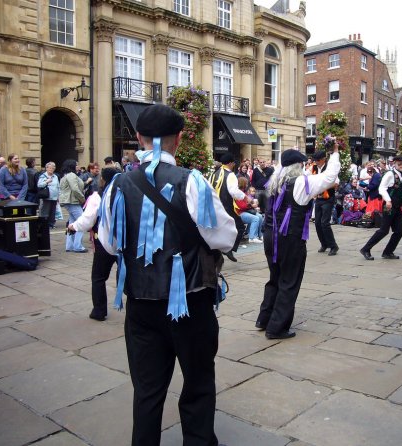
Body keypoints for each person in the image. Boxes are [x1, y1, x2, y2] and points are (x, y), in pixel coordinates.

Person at [101, 103, 236, 445]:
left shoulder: (117, 185)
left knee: (147, 390)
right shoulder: (192, 182)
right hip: (190, 302)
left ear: (138, 138)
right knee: (199, 382)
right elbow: (224, 237)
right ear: (178, 139)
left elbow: (109, 241)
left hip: (141, 305)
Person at [255, 147, 340, 339]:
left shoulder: (274, 182)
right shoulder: (301, 182)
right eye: (302, 164)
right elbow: (329, 178)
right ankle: (276, 328)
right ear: (298, 166)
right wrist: (334, 153)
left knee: (275, 278)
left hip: (270, 237)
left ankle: (264, 319)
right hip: (290, 238)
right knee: (289, 281)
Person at [68, 167, 120, 321]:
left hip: (104, 242)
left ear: (103, 179)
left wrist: (73, 226)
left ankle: (99, 311)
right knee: (126, 276)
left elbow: (88, 219)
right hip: (124, 243)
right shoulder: (125, 194)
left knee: (98, 277)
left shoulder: (98, 197)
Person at [360, 155, 402, 261]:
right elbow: (382, 188)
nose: (401, 166)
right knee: (384, 230)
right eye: (399, 164)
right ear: (394, 163)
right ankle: (365, 249)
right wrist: (388, 200)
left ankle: (388, 252)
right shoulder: (390, 174)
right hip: (389, 206)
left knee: (399, 231)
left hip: (398, 206)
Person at [209, 152, 252, 262]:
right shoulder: (230, 175)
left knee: (218, 230)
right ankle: (229, 248)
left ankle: (217, 254)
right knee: (240, 227)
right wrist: (246, 198)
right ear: (231, 163)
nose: (234, 165)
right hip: (226, 207)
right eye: (233, 163)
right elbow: (233, 191)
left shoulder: (215, 173)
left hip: (215, 206)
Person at [312, 150, 339, 255]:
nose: (316, 162)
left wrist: (323, 186)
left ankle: (333, 246)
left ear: (324, 159)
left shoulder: (329, 169)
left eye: (318, 160)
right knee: (317, 223)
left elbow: (336, 183)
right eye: (315, 160)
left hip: (328, 198)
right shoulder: (314, 168)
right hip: (318, 198)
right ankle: (324, 244)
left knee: (325, 223)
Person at [59, 159, 87, 253]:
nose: (78, 166)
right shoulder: (72, 175)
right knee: (82, 222)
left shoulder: (65, 176)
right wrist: (82, 198)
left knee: (72, 223)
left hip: (69, 201)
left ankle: (69, 245)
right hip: (73, 201)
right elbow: (75, 189)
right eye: (77, 165)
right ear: (72, 166)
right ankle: (77, 246)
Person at [235, 177, 263, 243]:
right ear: (243, 183)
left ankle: (260, 235)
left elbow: (248, 202)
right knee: (255, 218)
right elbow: (241, 206)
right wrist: (251, 205)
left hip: (246, 211)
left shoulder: (244, 192)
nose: (247, 185)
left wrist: (253, 203)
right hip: (240, 213)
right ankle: (252, 237)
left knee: (260, 216)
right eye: (246, 183)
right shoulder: (238, 193)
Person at [37, 162, 59, 229]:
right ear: (46, 168)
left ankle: (51, 224)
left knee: (53, 211)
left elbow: (58, 186)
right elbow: (39, 185)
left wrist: (59, 196)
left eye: (53, 168)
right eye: (50, 168)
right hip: (46, 197)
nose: (51, 169)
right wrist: (46, 182)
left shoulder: (55, 176)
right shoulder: (43, 176)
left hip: (54, 197)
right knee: (45, 211)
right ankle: (44, 224)